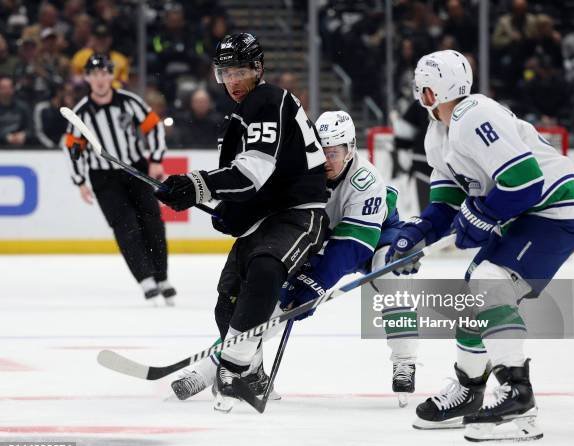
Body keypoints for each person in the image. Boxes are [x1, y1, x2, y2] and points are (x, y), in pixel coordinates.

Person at [386, 50, 574, 441]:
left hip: (554, 211)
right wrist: (417, 232)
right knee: (474, 291)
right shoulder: (438, 133)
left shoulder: (475, 115)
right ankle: (470, 387)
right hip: (527, 214)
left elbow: (526, 181)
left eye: (421, 85)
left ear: (431, 90)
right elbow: (446, 205)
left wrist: (481, 215)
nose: (417, 92)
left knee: (488, 280)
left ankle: (518, 396)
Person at [167, 110, 417, 408]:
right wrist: (231, 211)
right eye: (321, 151)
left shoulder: (366, 181)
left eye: (334, 152)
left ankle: (405, 360)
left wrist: (315, 283)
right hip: (317, 238)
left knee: (392, 275)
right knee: (272, 302)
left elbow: (352, 247)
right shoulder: (299, 167)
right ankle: (216, 368)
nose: (326, 160)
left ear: (351, 149)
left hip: (373, 238)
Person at [154, 33, 329, 413]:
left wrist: (196, 186)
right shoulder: (240, 114)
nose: (232, 80)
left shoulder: (266, 101)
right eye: (224, 73)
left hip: (299, 214)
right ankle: (252, 371)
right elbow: (241, 184)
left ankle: (231, 367)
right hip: (267, 218)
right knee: (227, 303)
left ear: (258, 69)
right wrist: (216, 204)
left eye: (239, 71)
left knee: (266, 268)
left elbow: (252, 174)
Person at [63, 54, 176, 305]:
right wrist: (80, 181)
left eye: (104, 73)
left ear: (112, 75)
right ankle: (146, 280)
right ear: (87, 78)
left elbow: (154, 126)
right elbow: (73, 148)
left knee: (152, 222)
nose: (100, 79)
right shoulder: (82, 113)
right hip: (103, 177)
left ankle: (162, 277)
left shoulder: (129, 102)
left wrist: (156, 159)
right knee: (125, 227)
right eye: (94, 74)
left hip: (134, 168)